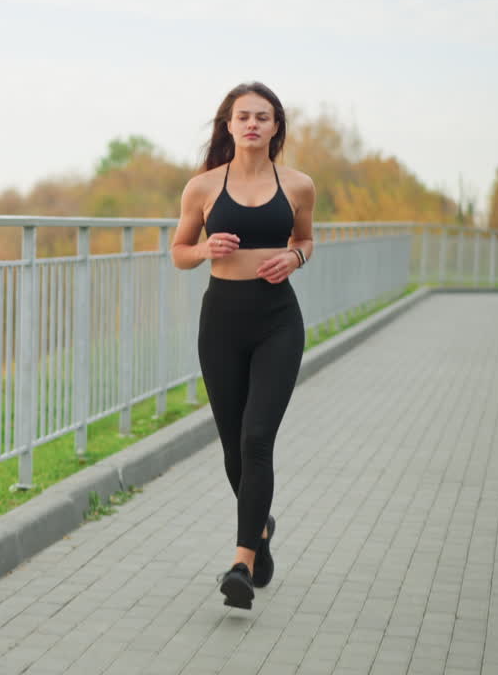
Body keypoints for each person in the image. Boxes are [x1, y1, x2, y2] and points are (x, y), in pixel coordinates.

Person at [170, 82, 315, 610]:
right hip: (222, 325)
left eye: (263, 116)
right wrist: (205, 246)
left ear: (276, 126)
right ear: (228, 125)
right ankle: (263, 532)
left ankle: (241, 563)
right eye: (242, 116)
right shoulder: (203, 187)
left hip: (278, 323)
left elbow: (306, 239)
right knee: (233, 449)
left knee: (257, 440)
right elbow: (179, 252)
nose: (252, 124)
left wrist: (295, 259)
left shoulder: (298, 185)